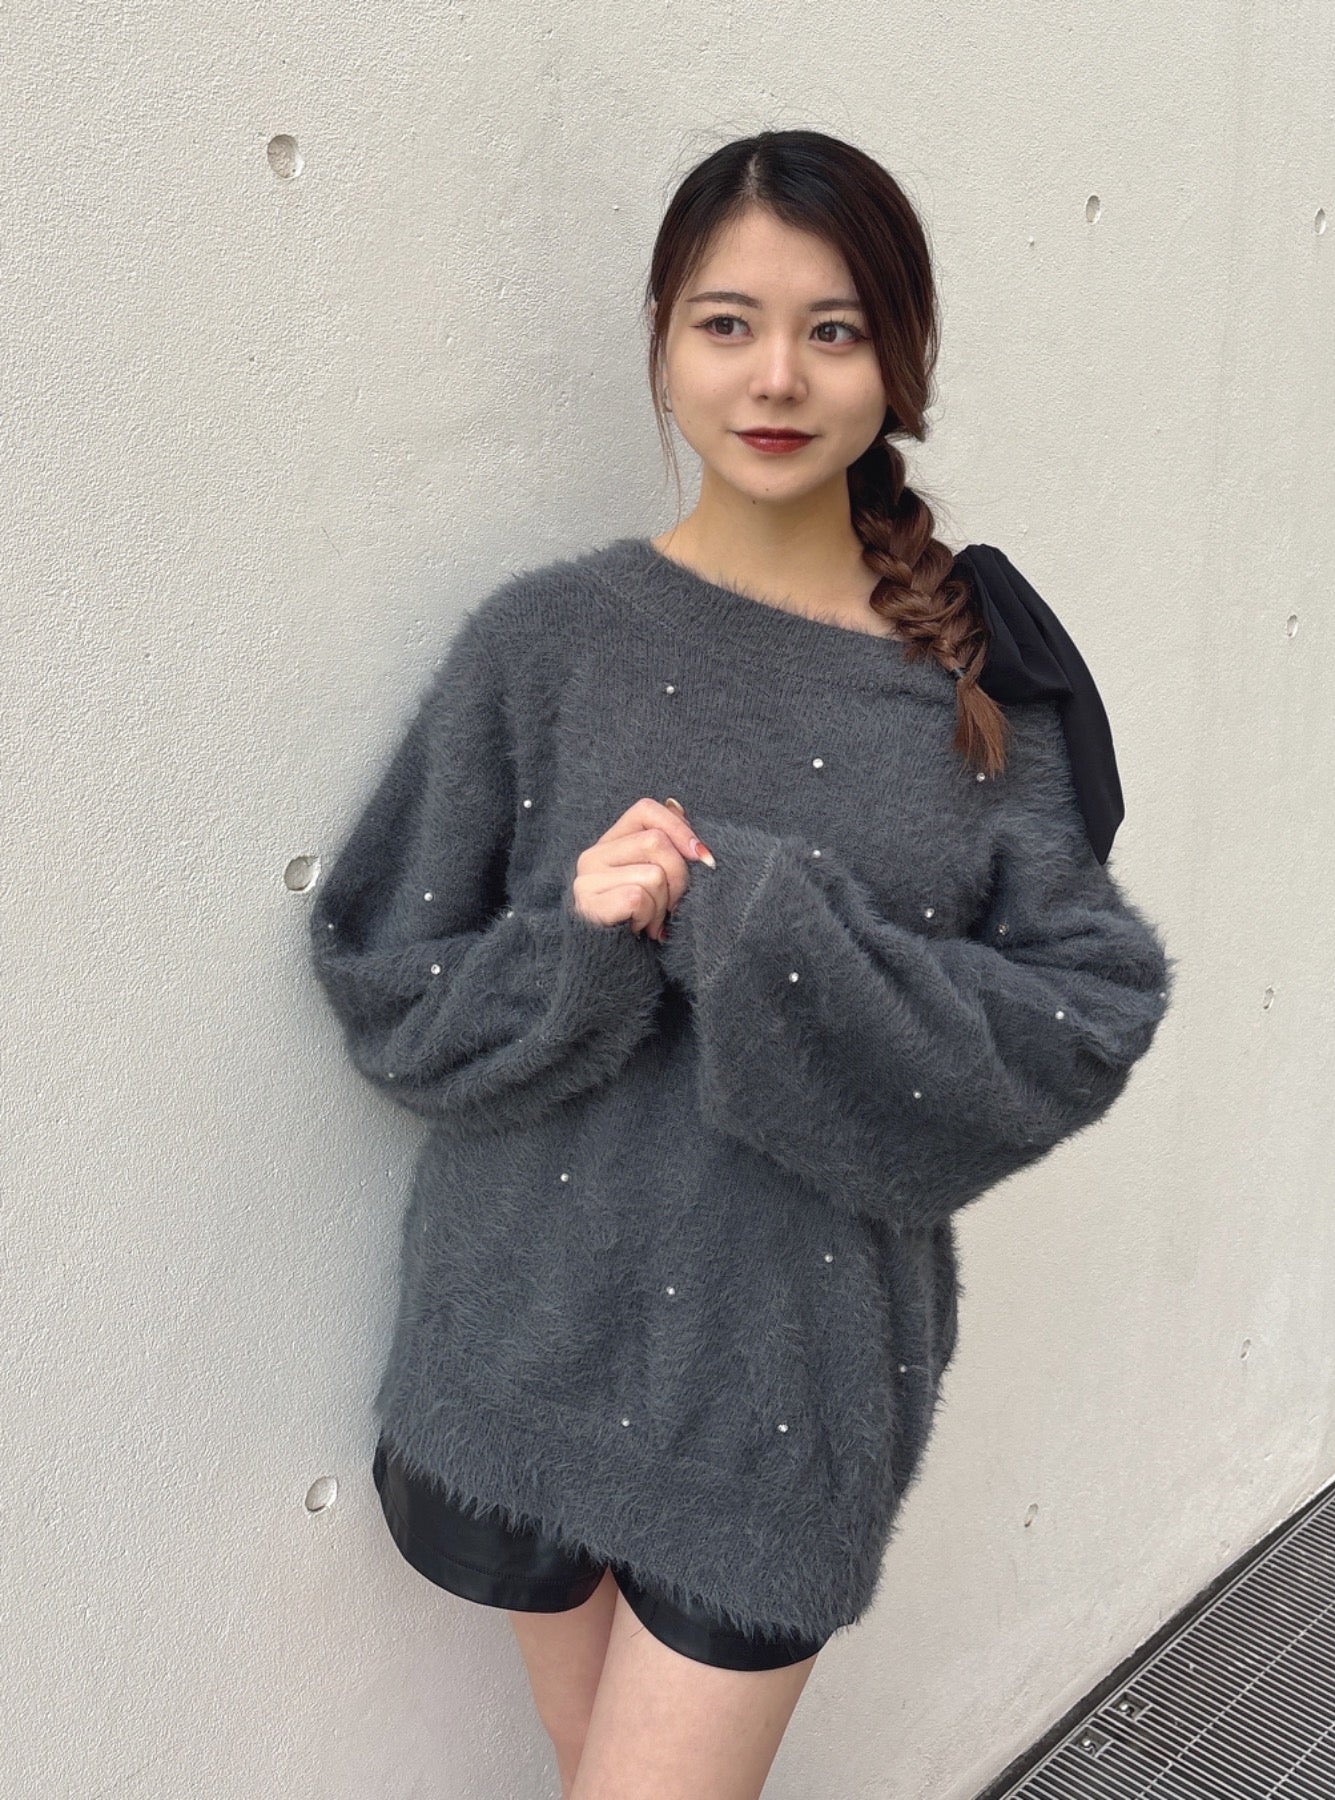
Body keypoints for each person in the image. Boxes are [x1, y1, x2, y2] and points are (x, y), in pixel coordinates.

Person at [307, 128, 1175, 1800]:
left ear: (900, 359)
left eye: (832, 329)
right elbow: (385, 984)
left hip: (787, 1391)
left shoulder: (975, 688)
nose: (776, 376)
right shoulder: (543, 642)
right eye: (727, 323)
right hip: (519, 1339)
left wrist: (770, 924)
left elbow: (1083, 1014)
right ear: (662, 344)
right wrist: (579, 949)